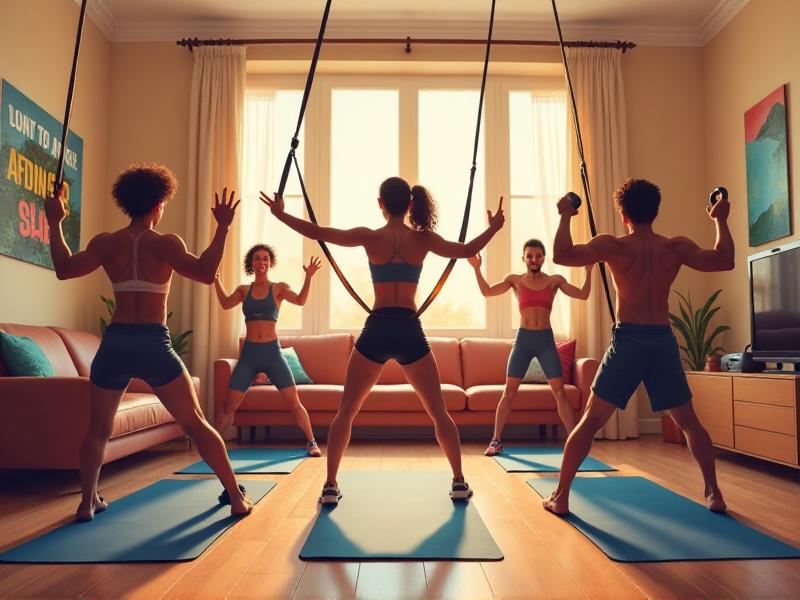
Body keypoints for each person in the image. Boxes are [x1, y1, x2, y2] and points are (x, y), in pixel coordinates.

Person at [260, 176, 505, 504]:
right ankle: (459, 481)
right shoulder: (424, 240)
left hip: (377, 328)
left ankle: (330, 485)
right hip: (408, 329)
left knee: (346, 411)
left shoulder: (369, 237)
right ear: (409, 204)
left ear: (380, 203)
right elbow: (468, 250)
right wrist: (495, 228)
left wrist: (280, 215)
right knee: (438, 412)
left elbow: (318, 233)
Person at [44, 163, 253, 520]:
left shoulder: (106, 244)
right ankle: (235, 497)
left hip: (116, 343)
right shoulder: (166, 244)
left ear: (126, 203)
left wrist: (54, 222)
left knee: (97, 430)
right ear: (159, 203)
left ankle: (86, 503)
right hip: (153, 343)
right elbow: (205, 273)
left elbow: (64, 268)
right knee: (196, 423)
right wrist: (222, 227)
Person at [543, 178, 733, 515]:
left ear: (622, 213)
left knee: (589, 421)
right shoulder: (675, 247)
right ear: (656, 211)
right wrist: (720, 219)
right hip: (661, 341)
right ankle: (713, 493)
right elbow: (724, 260)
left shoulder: (614, 246)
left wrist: (565, 215)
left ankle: (561, 497)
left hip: (628, 341)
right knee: (688, 422)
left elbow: (560, 255)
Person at [467, 239, 592, 456]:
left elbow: (583, 294)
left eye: (538, 255)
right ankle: (496, 440)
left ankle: (574, 442)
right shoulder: (515, 280)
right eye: (530, 256)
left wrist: (588, 271)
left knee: (560, 393)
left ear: (544, 257)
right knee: (509, 392)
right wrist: (477, 269)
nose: (534, 260)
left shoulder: (555, 281)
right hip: (524, 341)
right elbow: (487, 292)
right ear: (523, 258)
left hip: (545, 341)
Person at [213, 244, 323, 456]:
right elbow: (226, 304)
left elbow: (300, 300)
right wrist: (216, 280)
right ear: (251, 264)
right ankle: (213, 445)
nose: (261, 262)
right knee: (229, 405)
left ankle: (311, 442)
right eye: (257, 259)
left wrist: (308, 277)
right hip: (249, 355)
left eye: (265, 259)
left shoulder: (279, 288)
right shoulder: (243, 290)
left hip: (272, 354)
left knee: (294, 402)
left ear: (270, 263)